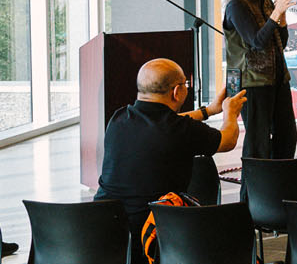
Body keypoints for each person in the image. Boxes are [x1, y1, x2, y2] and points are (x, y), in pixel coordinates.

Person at [95, 59, 246, 219]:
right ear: (176, 92)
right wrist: (230, 113)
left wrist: (208, 111)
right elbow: (228, 140)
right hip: (156, 231)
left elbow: (165, 121)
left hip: (104, 228)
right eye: (185, 84)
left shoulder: (119, 118)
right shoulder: (182, 130)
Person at [222, 0, 296, 159]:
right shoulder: (236, 5)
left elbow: (281, 41)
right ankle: (252, 192)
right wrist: (275, 14)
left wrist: (280, 18)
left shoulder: (266, 1)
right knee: (258, 144)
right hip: (252, 82)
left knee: (287, 137)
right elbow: (256, 42)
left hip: (278, 79)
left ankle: (277, 188)